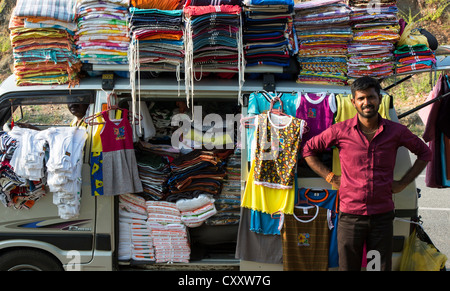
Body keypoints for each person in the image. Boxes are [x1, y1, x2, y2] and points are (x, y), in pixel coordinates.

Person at [302, 76, 432, 271]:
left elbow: (425, 153)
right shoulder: (340, 131)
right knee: (348, 267)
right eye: (361, 98)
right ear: (353, 102)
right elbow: (308, 150)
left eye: (371, 97)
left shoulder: (396, 131)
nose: (366, 103)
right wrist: (330, 176)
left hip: (382, 217)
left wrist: (403, 183)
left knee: (377, 267)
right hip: (350, 216)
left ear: (379, 99)